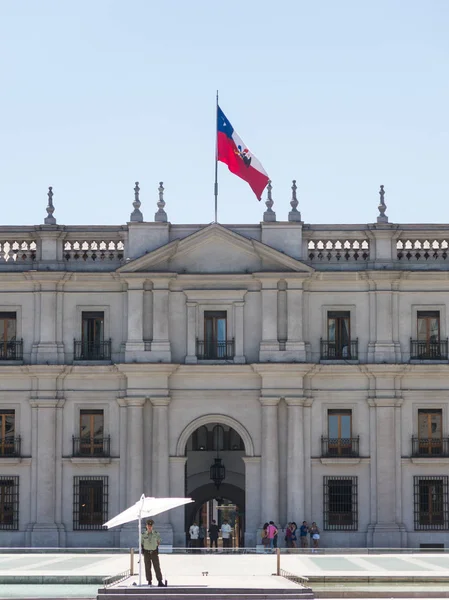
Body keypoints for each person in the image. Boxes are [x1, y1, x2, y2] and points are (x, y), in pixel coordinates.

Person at [140, 519, 165, 587]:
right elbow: (141, 543)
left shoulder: (156, 534)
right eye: (148, 526)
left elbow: (158, 542)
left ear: (152, 526)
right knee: (147, 567)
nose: (149, 527)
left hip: (154, 552)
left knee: (157, 567)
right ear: (146, 526)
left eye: (150, 526)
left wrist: (153, 547)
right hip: (146, 553)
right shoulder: (143, 534)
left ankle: (160, 581)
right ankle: (149, 581)